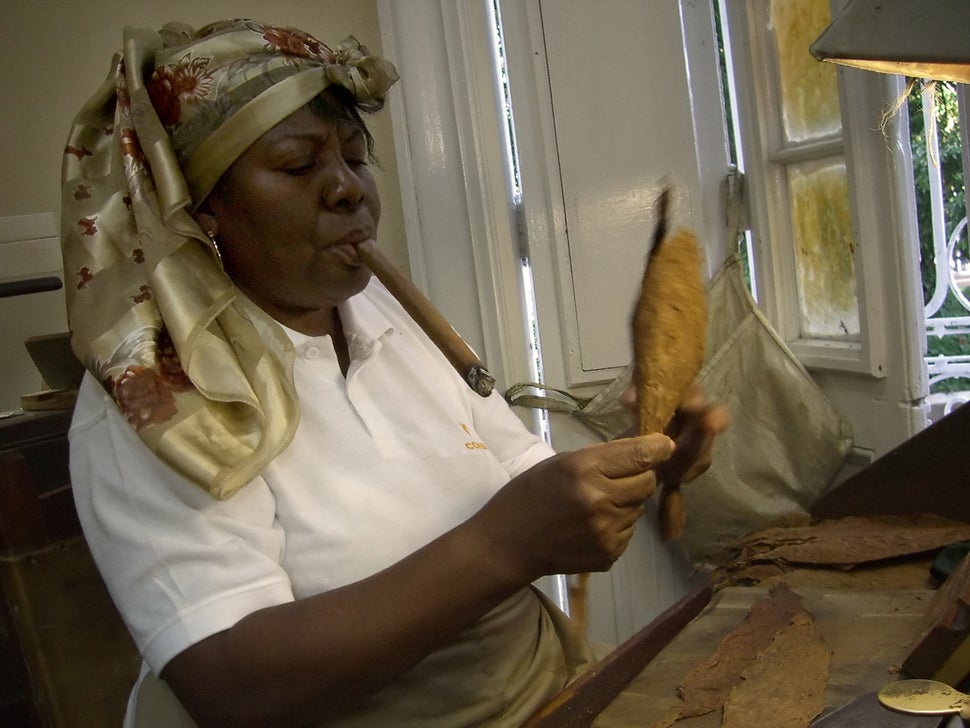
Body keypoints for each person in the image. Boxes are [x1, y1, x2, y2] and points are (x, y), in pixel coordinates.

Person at [61, 18, 727, 727]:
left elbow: (527, 487)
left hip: (545, 692)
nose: (347, 190)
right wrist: (503, 545)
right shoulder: (158, 396)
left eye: (355, 158)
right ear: (203, 209)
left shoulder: (385, 312)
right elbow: (232, 686)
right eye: (296, 165)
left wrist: (641, 462)